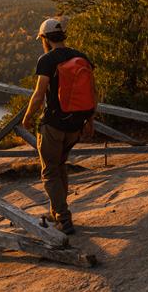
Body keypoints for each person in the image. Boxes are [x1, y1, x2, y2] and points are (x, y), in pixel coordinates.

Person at [22, 18, 96, 235]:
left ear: (44, 38)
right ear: (63, 35)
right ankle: (57, 212)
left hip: (53, 124)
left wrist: (27, 118)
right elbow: (93, 92)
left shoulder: (47, 60)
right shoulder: (81, 57)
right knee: (60, 165)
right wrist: (90, 120)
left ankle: (63, 219)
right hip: (76, 124)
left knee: (49, 171)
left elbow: (38, 95)